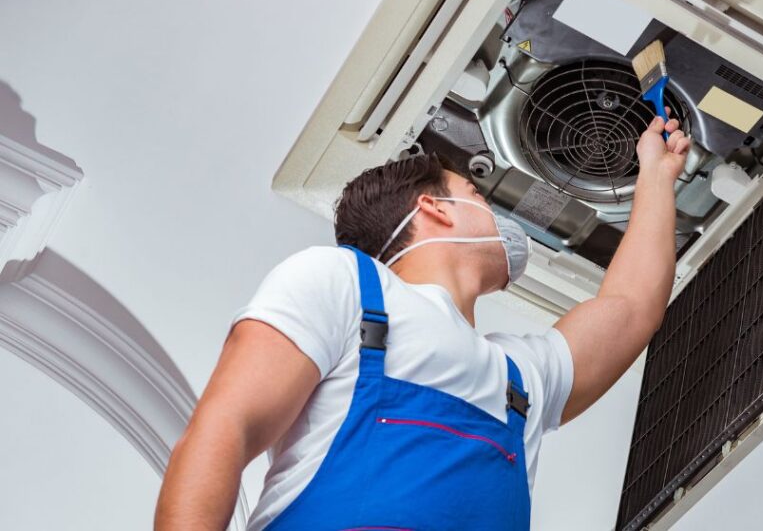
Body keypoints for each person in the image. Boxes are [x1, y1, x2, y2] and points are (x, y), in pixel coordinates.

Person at [154, 113, 691, 530]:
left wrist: (657, 174)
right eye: (477, 196)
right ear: (433, 209)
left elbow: (632, 308)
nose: (499, 220)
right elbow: (225, 428)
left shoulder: (521, 376)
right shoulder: (344, 283)